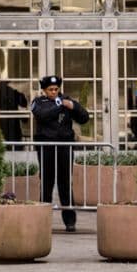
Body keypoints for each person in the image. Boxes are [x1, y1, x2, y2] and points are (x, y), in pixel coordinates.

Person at [31, 75, 89, 232]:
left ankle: (70, 221)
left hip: (64, 147)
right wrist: (59, 105)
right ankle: (43, 220)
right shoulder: (38, 102)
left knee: (65, 184)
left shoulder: (66, 100)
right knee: (47, 183)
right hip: (46, 147)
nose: (54, 92)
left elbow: (84, 117)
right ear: (44, 90)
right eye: (50, 89)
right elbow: (42, 115)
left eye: (56, 89)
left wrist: (73, 106)